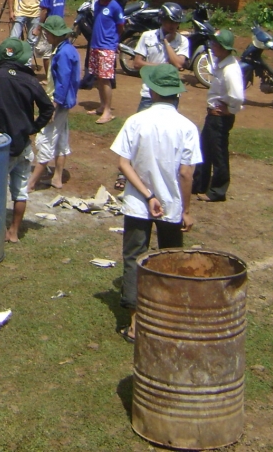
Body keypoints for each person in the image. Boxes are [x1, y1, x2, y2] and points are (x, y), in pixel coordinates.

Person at [111, 64, 200, 343]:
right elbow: (186, 173)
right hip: (171, 207)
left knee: (134, 258)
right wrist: (185, 210)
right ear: (177, 94)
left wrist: (147, 195)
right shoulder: (187, 127)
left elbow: (123, 163)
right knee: (171, 260)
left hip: (139, 204)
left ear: (152, 91)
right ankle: (169, 318)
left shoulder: (136, 121)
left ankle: (136, 325)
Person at [0, 37, 54, 242]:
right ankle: (13, 231)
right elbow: (48, 107)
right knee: (20, 190)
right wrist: (33, 127)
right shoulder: (30, 79)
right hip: (22, 143)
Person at [27, 16, 80, 191]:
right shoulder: (68, 49)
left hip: (57, 102)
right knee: (61, 139)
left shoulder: (63, 53)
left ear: (54, 34)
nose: (45, 36)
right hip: (64, 103)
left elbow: (63, 82)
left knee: (45, 138)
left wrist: (52, 108)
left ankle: (31, 183)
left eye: (47, 33)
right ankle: (57, 178)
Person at [192, 29, 244, 203]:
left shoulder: (230, 70)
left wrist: (231, 110)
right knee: (204, 149)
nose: (212, 47)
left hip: (220, 117)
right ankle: (199, 184)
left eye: (216, 44)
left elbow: (237, 96)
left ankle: (217, 191)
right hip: (213, 115)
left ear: (224, 48)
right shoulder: (222, 64)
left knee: (218, 153)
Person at [132, 2, 190, 112]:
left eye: (176, 22)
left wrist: (166, 42)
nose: (173, 25)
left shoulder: (183, 41)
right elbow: (137, 63)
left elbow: (178, 64)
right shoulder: (147, 36)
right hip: (149, 92)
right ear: (162, 20)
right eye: (169, 21)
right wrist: (164, 68)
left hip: (171, 94)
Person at [88, 0, 125, 124]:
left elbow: (120, 26)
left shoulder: (115, 6)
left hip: (107, 47)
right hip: (96, 45)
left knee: (105, 79)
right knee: (98, 78)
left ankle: (108, 111)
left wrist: (113, 41)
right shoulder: (97, 4)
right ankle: (102, 105)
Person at [35, 0, 66, 78]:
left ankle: (49, 78)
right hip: (59, 23)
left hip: (49, 24)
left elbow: (44, 10)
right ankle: (56, 74)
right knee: (56, 50)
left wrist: (38, 27)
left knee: (46, 53)